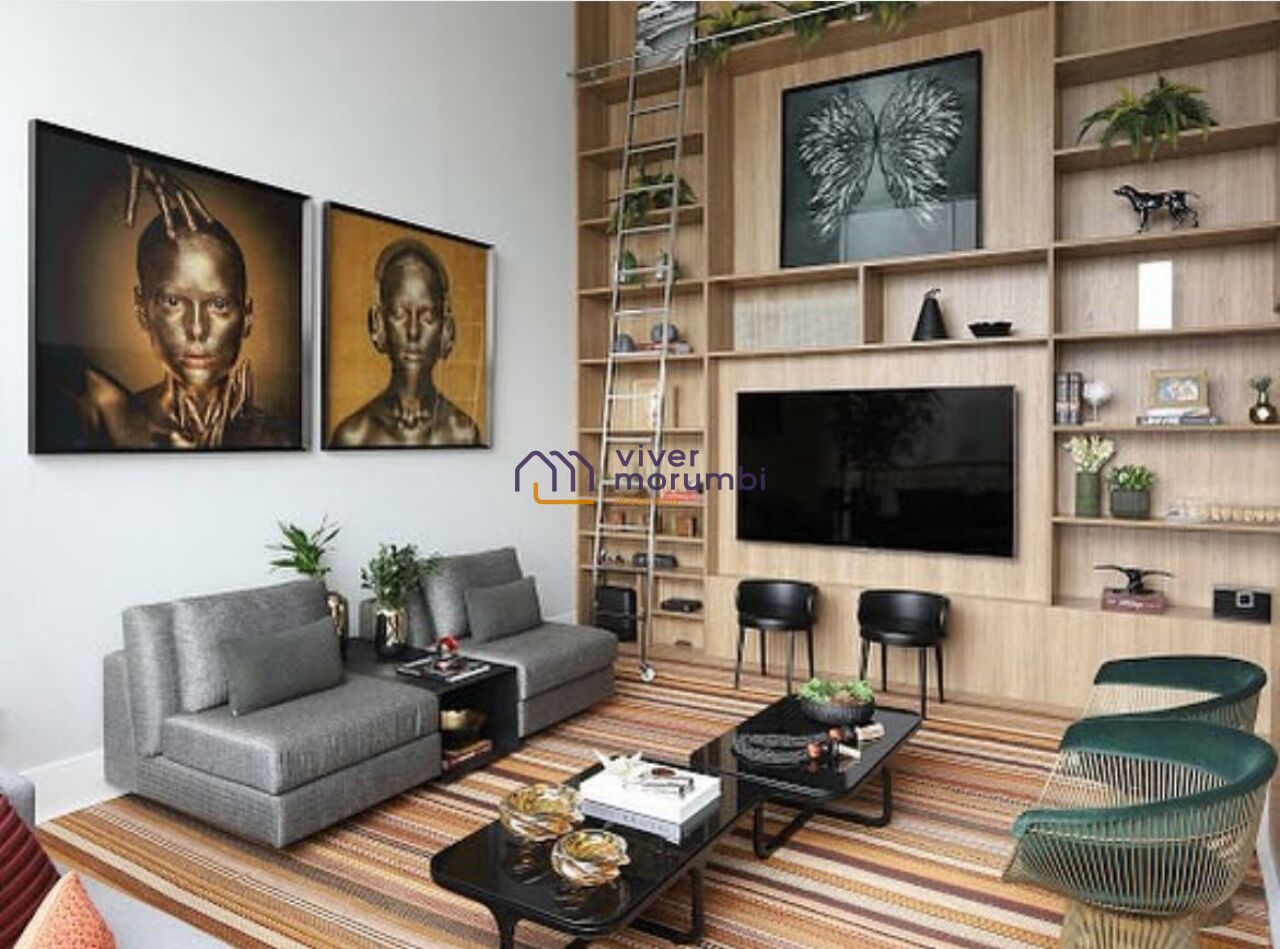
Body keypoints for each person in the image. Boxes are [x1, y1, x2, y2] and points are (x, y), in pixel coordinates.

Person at [45, 159, 291, 449]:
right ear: (142, 311)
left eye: (219, 304)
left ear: (246, 318)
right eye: (173, 302)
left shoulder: (277, 439)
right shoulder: (113, 416)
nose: (197, 329)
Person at [330, 239, 479, 447]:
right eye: (399, 314)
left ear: (446, 331)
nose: (413, 332)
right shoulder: (355, 436)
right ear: (378, 325)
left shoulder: (462, 434)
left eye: (427, 317)